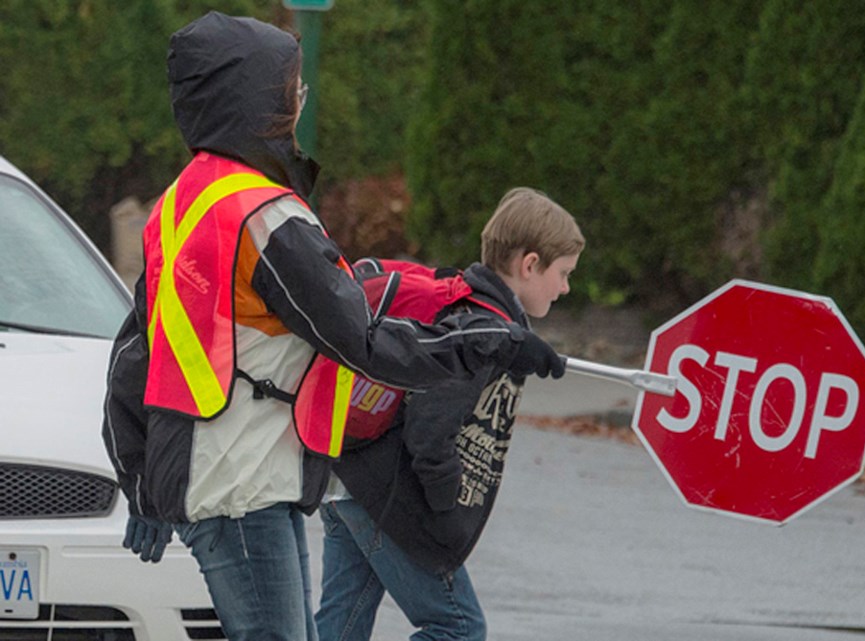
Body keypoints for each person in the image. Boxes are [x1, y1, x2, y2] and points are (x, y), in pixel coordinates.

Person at [100, 13, 563, 641]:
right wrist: (487, 341)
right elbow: (363, 340)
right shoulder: (264, 215)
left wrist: (141, 479)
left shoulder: (183, 202)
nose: (299, 101)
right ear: (257, 99)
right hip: (246, 478)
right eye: (293, 87)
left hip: (224, 476)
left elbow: (133, 356)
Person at [314, 187, 585, 641]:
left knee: (340, 628)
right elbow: (429, 430)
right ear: (530, 264)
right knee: (458, 628)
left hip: (348, 481)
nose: (565, 288)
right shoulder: (482, 331)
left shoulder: (465, 304)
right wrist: (444, 506)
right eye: (563, 273)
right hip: (389, 498)